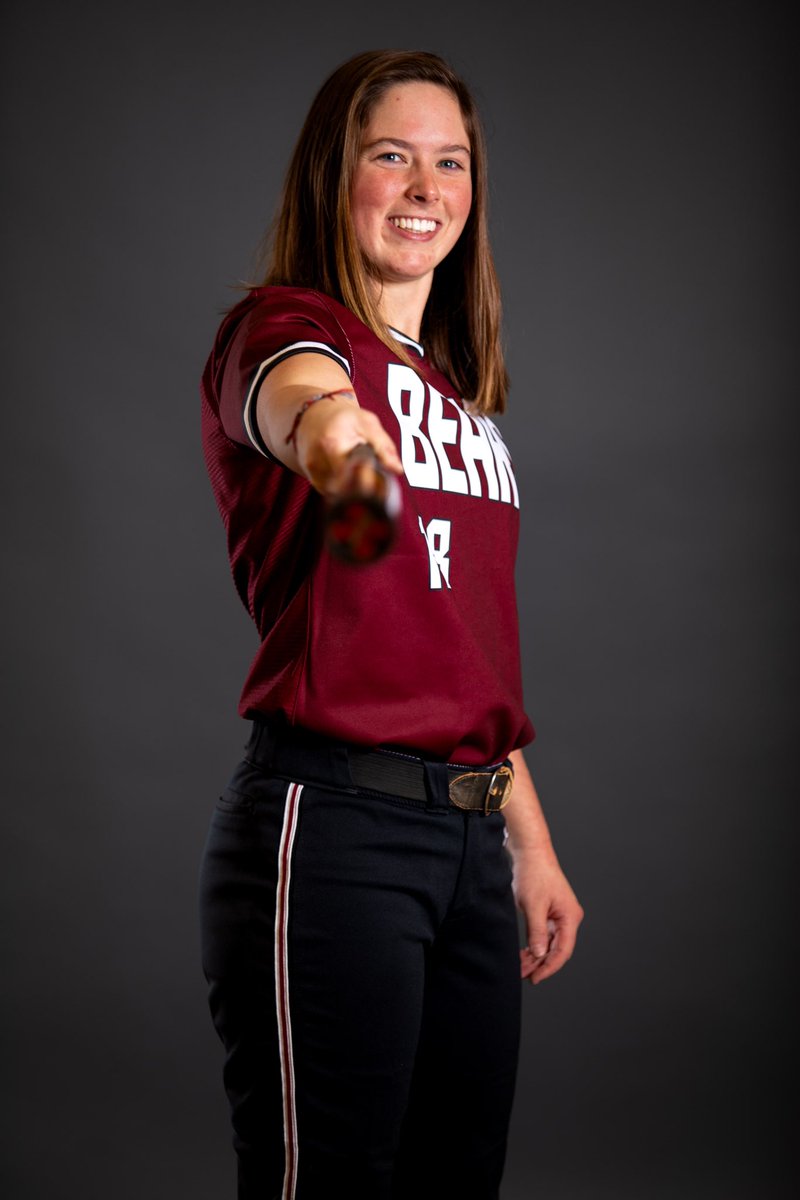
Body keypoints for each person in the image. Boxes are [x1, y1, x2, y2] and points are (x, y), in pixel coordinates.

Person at [199, 48, 583, 1200]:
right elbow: (311, 410)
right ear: (338, 175)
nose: (424, 187)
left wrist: (529, 845)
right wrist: (346, 458)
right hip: (335, 832)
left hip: (468, 843)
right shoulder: (277, 326)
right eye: (391, 157)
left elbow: (453, 647)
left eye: (449, 162)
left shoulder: (458, 394)